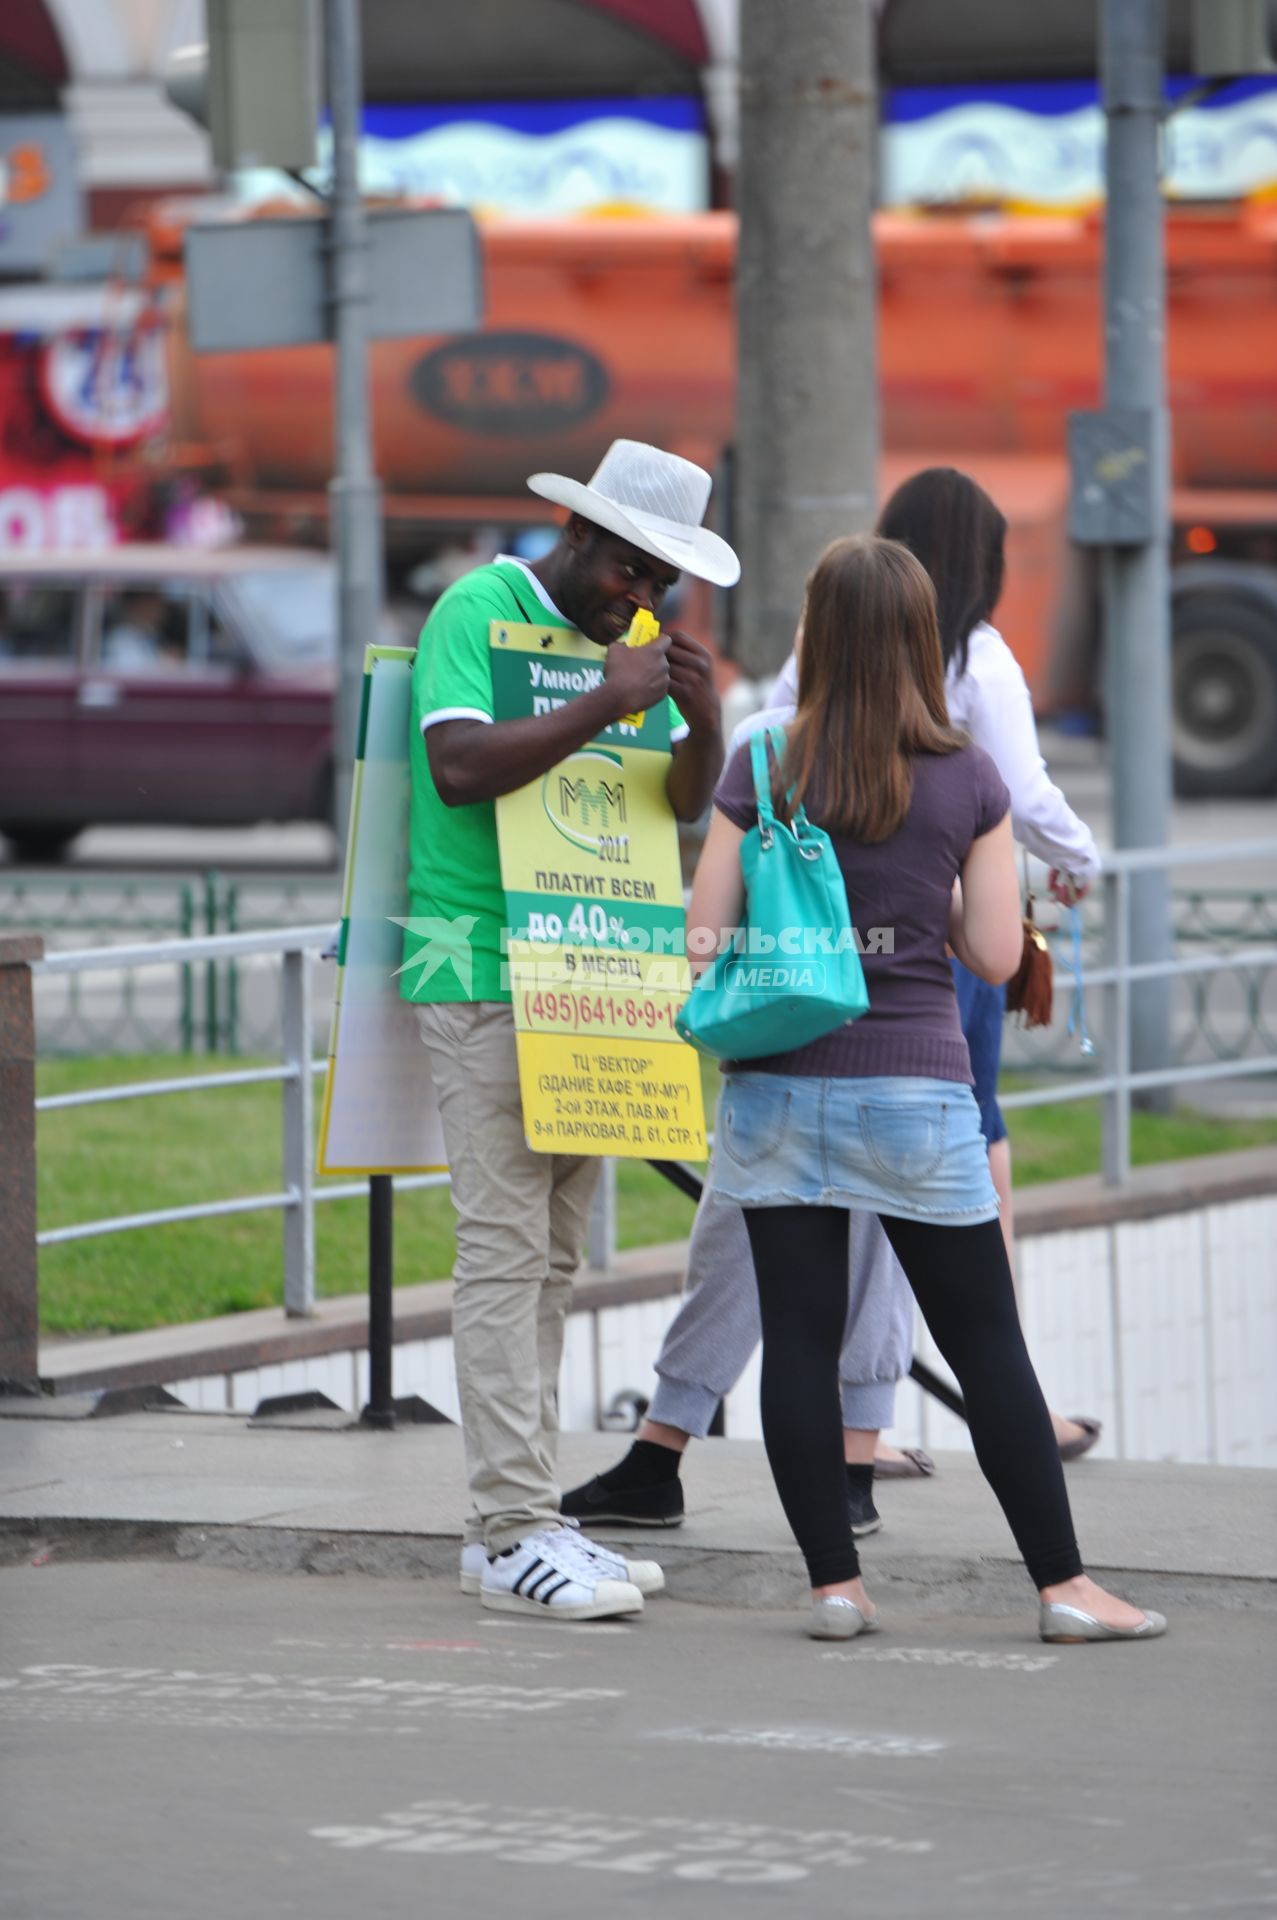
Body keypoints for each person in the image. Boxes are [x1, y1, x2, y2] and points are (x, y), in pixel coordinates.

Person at [563, 467, 1102, 1538]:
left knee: (764, 1255)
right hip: (914, 1017)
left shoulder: (774, 735)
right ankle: (912, 1488)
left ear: (819, 624)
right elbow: (999, 918)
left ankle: (759, 1507)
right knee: (919, 1250)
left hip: (782, 1028)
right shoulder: (974, 703)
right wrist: (1033, 868)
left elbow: (707, 922)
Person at [685, 532, 1163, 1644]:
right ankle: (1060, 1591)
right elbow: (996, 957)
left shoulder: (759, 764)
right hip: (915, 1091)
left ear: (816, 635)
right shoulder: (966, 777)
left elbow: (705, 937)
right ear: (915, 640)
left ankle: (835, 1590)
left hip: (772, 1089)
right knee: (986, 1344)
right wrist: (925, 910)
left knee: (796, 1342)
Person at [404, 439, 738, 1623]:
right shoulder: (476, 609)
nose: (641, 600)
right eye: (629, 574)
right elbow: (452, 766)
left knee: (552, 1259)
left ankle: (521, 1516)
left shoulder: (632, 655)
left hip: (591, 967)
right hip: (481, 965)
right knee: (501, 1251)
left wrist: (697, 723)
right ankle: (512, 1530)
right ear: (580, 538)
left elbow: (684, 805)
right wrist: (608, 699)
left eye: (662, 586)